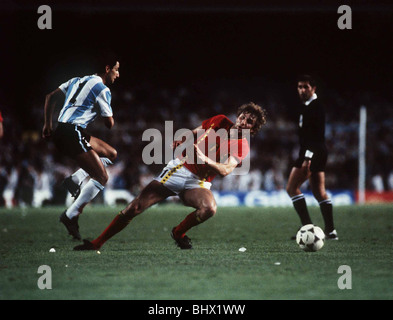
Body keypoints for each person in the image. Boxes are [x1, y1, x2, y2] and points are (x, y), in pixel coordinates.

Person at [74, 102, 267, 250]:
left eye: (250, 122)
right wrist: (183, 138)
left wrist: (202, 157)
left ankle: (178, 232)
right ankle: (97, 243)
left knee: (209, 209)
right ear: (238, 115)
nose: (243, 122)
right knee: (135, 208)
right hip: (180, 170)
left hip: (199, 182)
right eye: (243, 117)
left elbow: (226, 170)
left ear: (253, 129)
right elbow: (196, 132)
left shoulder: (242, 145)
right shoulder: (220, 120)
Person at [42, 54, 120, 240]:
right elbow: (109, 124)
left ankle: (75, 180)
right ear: (108, 69)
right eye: (117, 70)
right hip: (72, 132)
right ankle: (70, 215)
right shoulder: (102, 89)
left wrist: (47, 124)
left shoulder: (78, 80)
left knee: (111, 153)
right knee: (101, 177)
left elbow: (50, 96)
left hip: (64, 129)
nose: (118, 74)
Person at [286, 75, 338, 240]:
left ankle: (307, 228)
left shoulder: (315, 107)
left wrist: (307, 158)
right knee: (319, 192)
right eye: (299, 87)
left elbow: (314, 135)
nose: (302, 90)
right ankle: (330, 231)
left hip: (311, 152)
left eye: (305, 87)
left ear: (313, 88)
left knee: (292, 188)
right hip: (318, 152)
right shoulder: (308, 106)